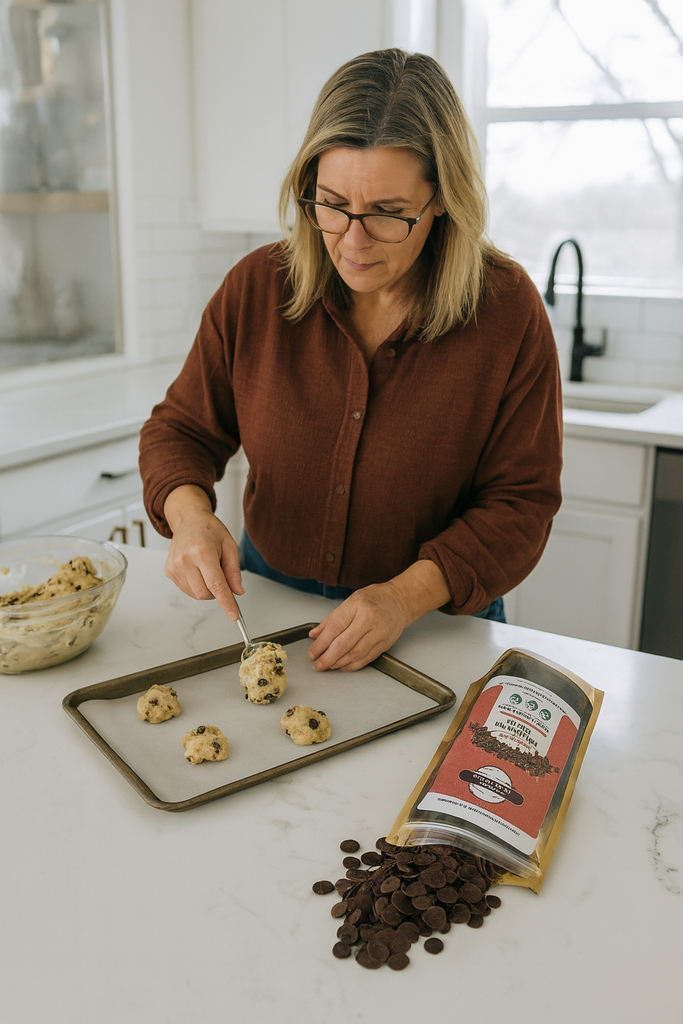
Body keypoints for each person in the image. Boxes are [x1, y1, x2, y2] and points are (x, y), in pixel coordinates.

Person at [139, 48, 562, 673]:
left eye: (389, 214)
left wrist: (401, 598)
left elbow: (521, 504)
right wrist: (191, 515)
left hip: (433, 629)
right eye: (331, 204)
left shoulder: (506, 311)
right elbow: (180, 429)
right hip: (268, 608)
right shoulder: (257, 287)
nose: (353, 241)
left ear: (442, 198)